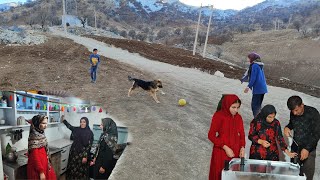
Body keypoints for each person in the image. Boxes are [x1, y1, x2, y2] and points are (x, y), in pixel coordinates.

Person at [208, 94, 245, 180]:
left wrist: (242, 147)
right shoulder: (219, 116)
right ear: (227, 105)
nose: (236, 110)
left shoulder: (238, 117)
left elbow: (242, 134)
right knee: (220, 175)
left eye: (238, 107)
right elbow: (211, 135)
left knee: (232, 176)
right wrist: (225, 147)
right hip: (221, 152)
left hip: (235, 152)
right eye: (233, 107)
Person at [284, 96, 320, 180]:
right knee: (293, 174)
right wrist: (288, 127)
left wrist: (307, 149)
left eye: (296, 110)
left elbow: (317, 133)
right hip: (295, 149)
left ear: (302, 105)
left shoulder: (313, 113)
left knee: (308, 175)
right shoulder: (293, 112)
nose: (294, 113)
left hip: (309, 150)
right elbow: (292, 123)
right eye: (292, 111)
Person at [61, 115, 94, 180]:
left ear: (87, 123)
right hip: (74, 153)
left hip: (82, 154)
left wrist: (85, 156)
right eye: (81, 122)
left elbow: (89, 146)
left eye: (84, 122)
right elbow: (69, 126)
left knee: (80, 170)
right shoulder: (77, 129)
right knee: (72, 168)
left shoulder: (89, 133)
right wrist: (63, 120)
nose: (82, 123)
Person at [27, 114, 57, 180]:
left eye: (46, 123)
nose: (45, 125)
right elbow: (35, 156)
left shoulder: (41, 133)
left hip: (44, 164)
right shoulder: (34, 136)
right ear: (37, 123)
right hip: (37, 168)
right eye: (43, 123)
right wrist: (41, 171)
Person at [242, 52, 268, 118]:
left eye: (249, 58)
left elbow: (253, 77)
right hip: (263, 88)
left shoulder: (254, 65)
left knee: (255, 105)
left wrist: (248, 86)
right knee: (258, 105)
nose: (248, 59)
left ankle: (257, 120)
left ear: (252, 58)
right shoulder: (260, 65)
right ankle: (261, 119)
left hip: (258, 88)